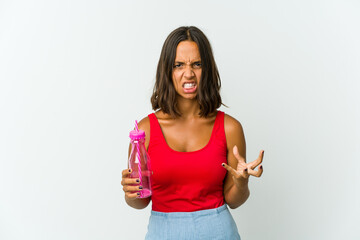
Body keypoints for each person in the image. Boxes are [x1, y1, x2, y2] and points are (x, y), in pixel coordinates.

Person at [121, 26, 264, 240]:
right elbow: (139, 202)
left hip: (219, 233)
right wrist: (130, 193)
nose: (189, 73)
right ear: (167, 70)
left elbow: (233, 200)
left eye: (197, 64)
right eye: (179, 65)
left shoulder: (230, 128)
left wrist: (242, 184)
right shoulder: (145, 130)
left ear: (207, 68)